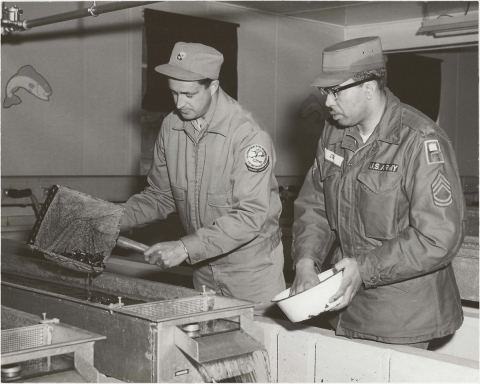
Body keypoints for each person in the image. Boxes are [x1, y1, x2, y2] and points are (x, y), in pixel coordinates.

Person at [291, 36, 466, 348]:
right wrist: (306, 261)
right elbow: (314, 204)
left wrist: (365, 268)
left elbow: (439, 236)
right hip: (346, 307)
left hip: (404, 317)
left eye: (335, 91)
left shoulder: (420, 140)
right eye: (324, 91)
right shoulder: (334, 135)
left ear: (369, 88)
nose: (327, 102)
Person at [120, 42, 286, 316]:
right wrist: (114, 219)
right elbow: (160, 195)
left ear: (213, 86)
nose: (179, 104)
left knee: (256, 345)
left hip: (250, 270)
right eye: (173, 93)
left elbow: (250, 216)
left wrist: (185, 247)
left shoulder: (247, 135)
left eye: (188, 94)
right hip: (203, 264)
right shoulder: (171, 126)